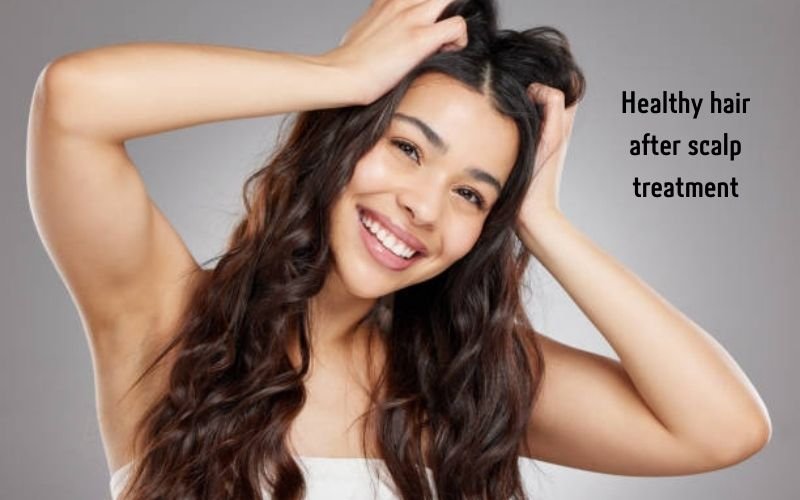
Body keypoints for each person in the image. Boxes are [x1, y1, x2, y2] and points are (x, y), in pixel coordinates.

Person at [26, 0, 771, 498]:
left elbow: (723, 429)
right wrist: (337, 75)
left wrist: (539, 215)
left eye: (471, 194)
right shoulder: (165, 321)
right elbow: (72, 102)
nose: (423, 206)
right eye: (409, 149)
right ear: (343, 136)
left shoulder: (466, 381)